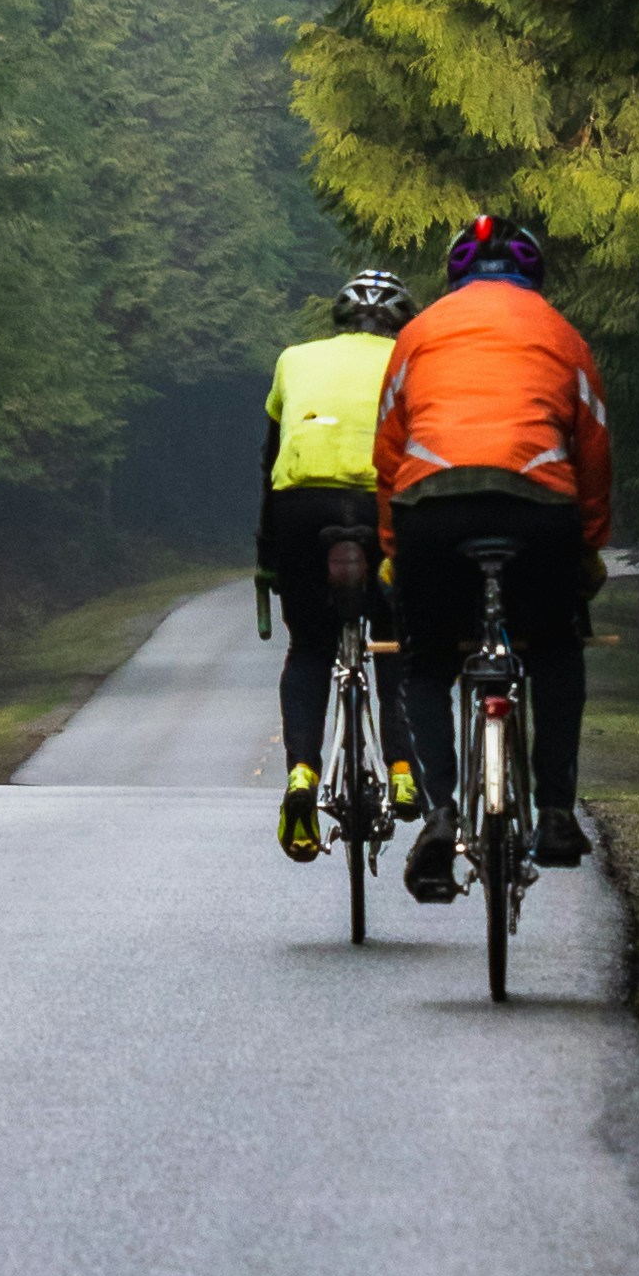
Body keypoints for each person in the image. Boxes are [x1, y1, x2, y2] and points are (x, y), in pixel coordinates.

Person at [378, 212, 610, 902]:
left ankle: (440, 814)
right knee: (555, 647)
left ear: (455, 275)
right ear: (532, 275)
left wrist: (393, 548)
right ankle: (557, 812)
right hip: (537, 504)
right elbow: (594, 447)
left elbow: (387, 450)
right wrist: (589, 546)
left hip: (431, 506)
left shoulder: (418, 334)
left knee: (426, 661)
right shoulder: (561, 333)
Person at [258, 268, 418, 858]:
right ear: (399, 323)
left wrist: (267, 557)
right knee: (396, 637)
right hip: (383, 499)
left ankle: (302, 772)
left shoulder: (293, 359)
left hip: (301, 505)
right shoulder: (412, 360)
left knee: (308, 647)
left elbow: (270, 461)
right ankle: (403, 768)